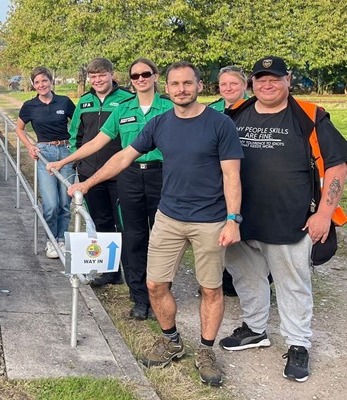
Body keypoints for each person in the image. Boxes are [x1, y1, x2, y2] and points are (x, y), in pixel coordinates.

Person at [69, 61, 243, 387]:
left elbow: (232, 175)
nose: (181, 89)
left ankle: (205, 351)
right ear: (168, 86)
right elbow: (123, 157)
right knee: (154, 285)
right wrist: (88, 183)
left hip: (209, 219)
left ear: (199, 85)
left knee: (210, 288)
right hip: (169, 217)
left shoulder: (220, 124)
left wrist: (233, 219)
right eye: (175, 84)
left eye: (187, 84)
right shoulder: (161, 123)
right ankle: (172, 340)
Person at [221, 56, 347, 383]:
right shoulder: (236, 114)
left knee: (293, 284)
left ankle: (298, 343)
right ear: (252, 82)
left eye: (274, 78)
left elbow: (336, 166)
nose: (267, 84)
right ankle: (255, 328)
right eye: (260, 78)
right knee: (246, 278)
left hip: (292, 220)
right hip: (240, 219)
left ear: (287, 79)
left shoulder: (310, 115)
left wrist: (323, 213)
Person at [47, 58, 172, 320]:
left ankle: (160, 291)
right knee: (132, 237)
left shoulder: (170, 108)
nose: (140, 79)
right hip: (129, 176)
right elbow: (95, 141)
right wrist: (65, 160)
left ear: (155, 76)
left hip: (164, 177)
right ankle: (139, 297)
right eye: (135, 76)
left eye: (145, 74)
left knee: (162, 240)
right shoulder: (124, 109)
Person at [63, 57, 133, 287]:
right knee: (100, 222)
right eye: (93, 76)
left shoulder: (126, 100)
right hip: (90, 174)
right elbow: (76, 135)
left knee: (123, 224)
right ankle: (109, 271)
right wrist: (78, 161)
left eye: (102, 75)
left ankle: (131, 272)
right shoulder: (84, 102)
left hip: (119, 172)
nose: (98, 80)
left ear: (112, 74)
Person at [15, 66, 76, 259]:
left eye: (44, 81)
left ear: (51, 81)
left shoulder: (64, 102)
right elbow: (19, 129)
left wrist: (75, 148)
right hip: (45, 153)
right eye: (37, 82)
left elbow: (77, 126)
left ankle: (62, 239)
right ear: (33, 85)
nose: (41, 85)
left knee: (65, 202)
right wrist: (30, 146)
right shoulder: (29, 106)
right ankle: (50, 239)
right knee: (50, 204)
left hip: (65, 153)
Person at [208, 65, 250, 296]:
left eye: (233, 83)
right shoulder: (212, 109)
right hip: (218, 175)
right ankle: (222, 278)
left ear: (244, 85)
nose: (228, 88)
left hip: (249, 173)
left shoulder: (255, 107)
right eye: (223, 84)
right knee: (219, 228)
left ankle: (257, 279)